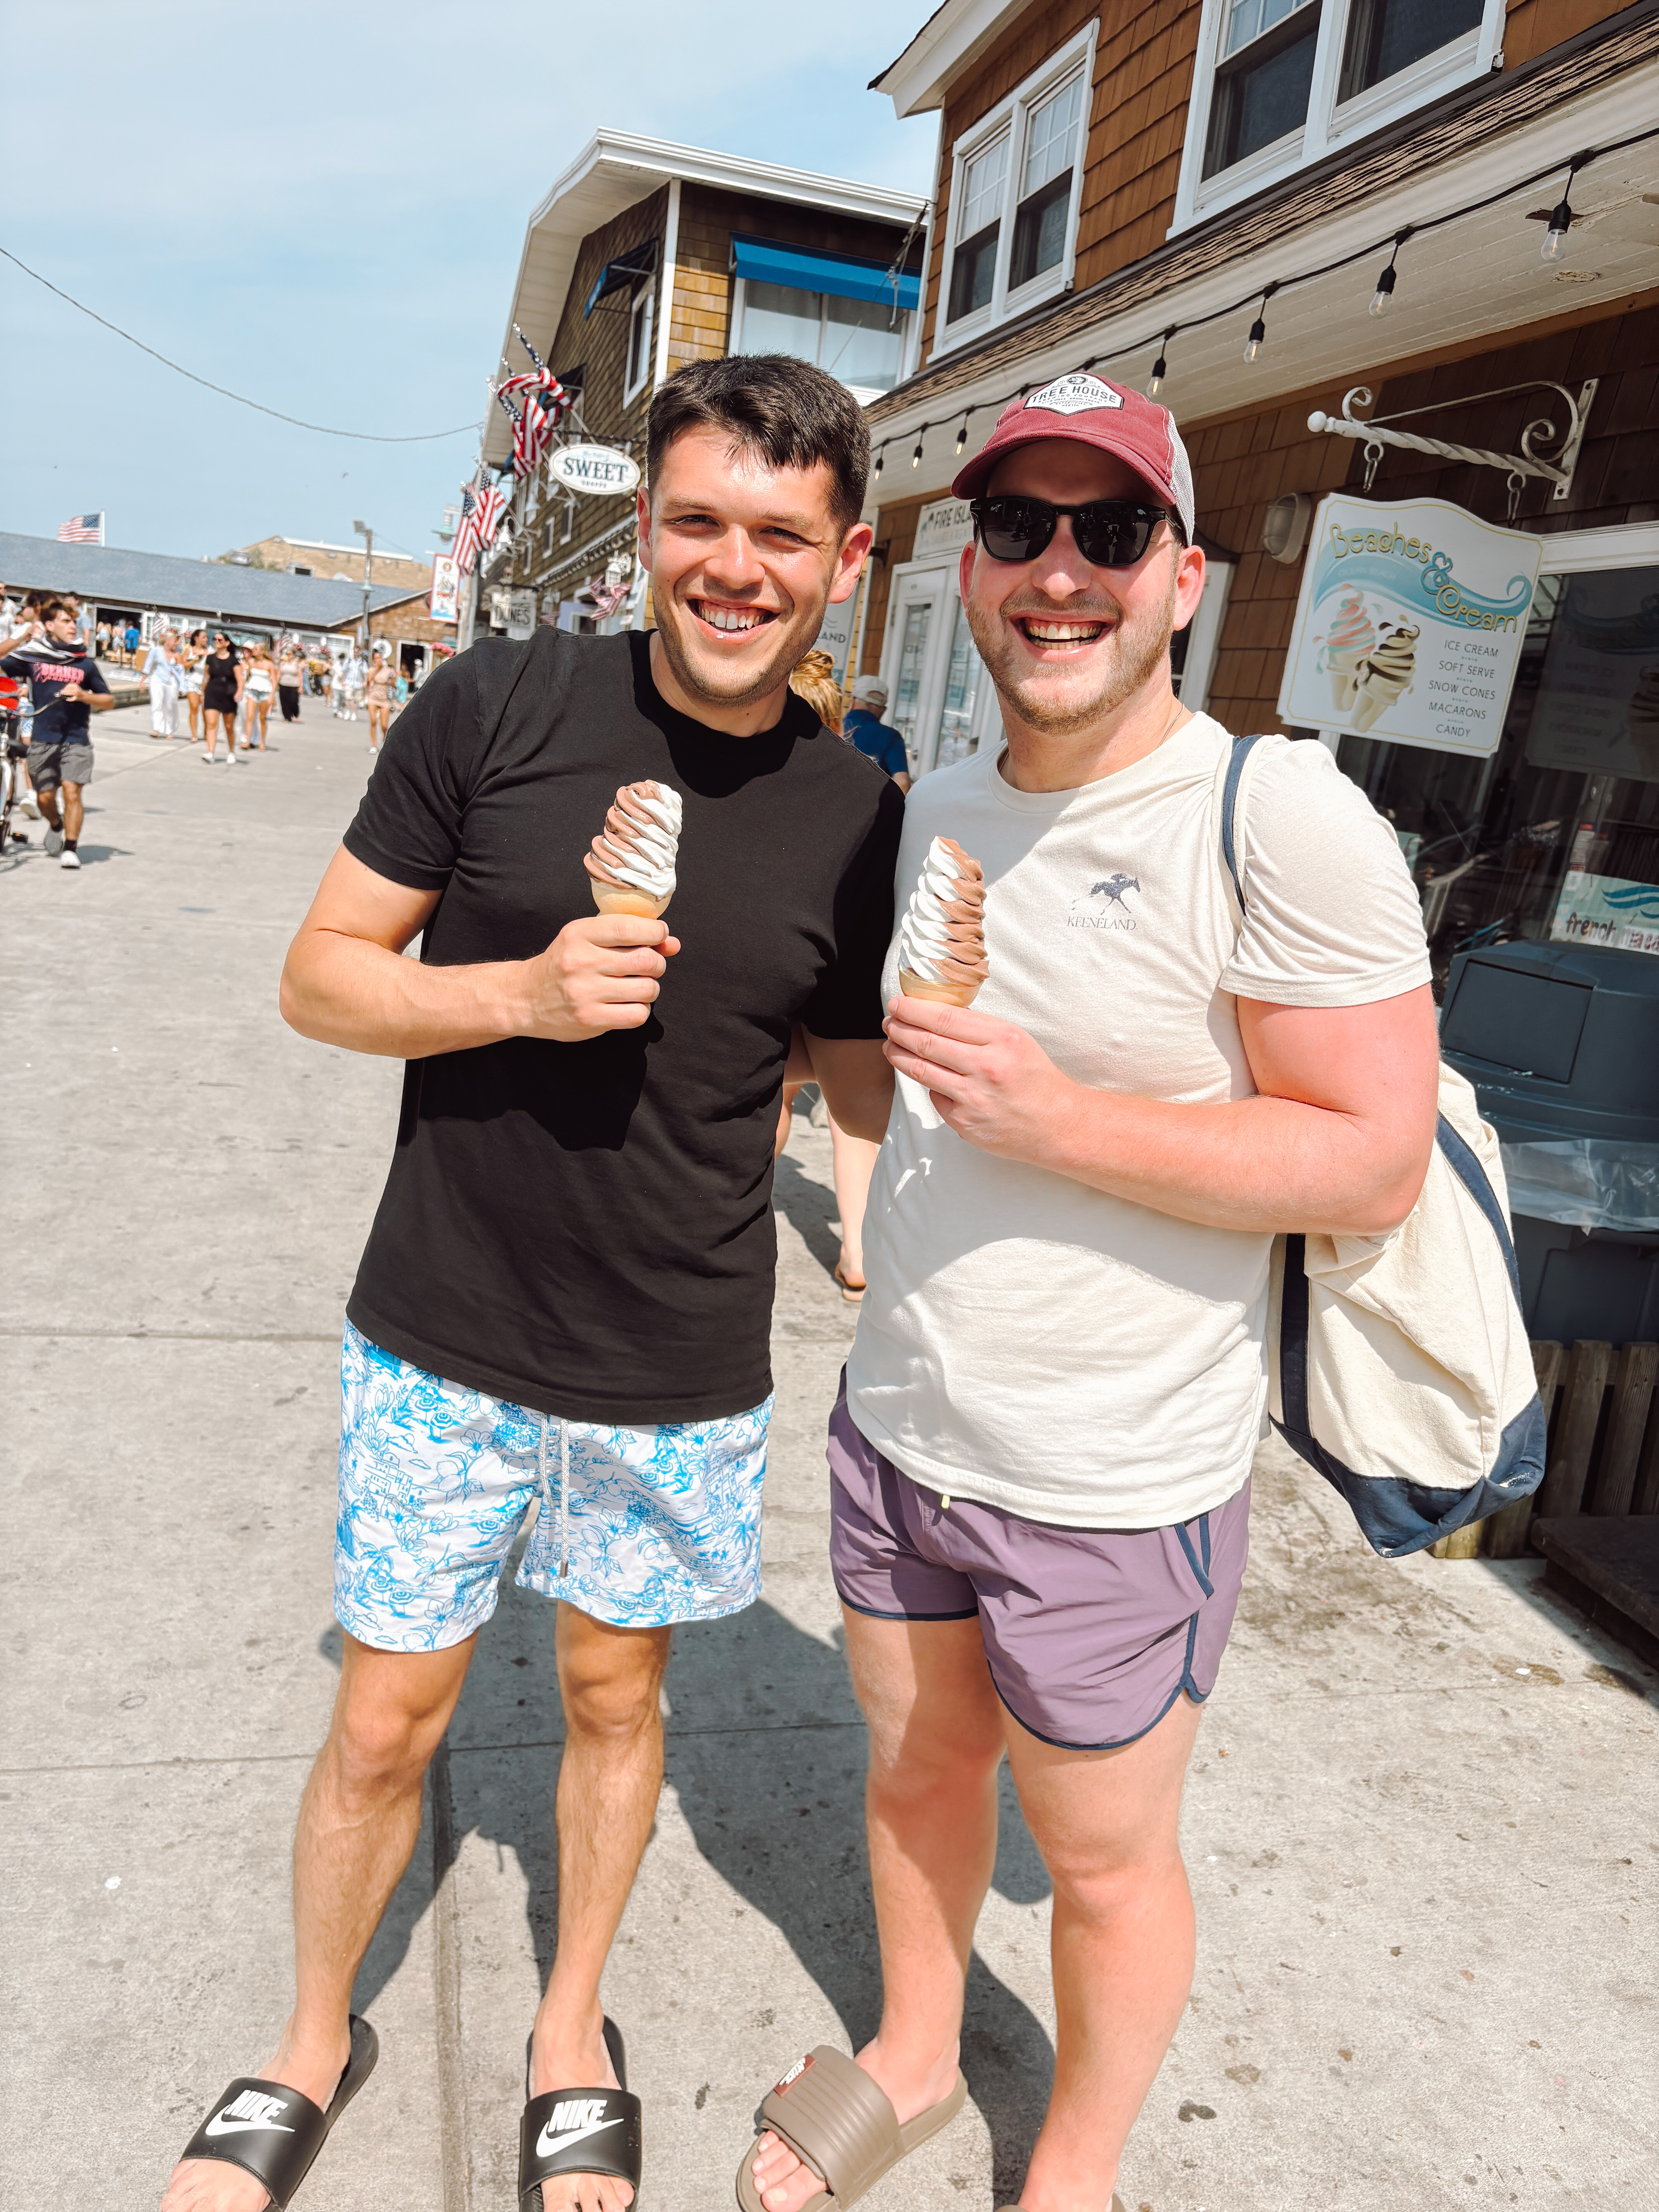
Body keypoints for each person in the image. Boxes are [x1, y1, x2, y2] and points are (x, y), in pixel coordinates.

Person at [161, 350, 902, 2212]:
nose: (736, 570)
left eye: (783, 538)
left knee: (611, 1704)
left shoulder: (851, 812)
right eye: (701, 523)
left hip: (675, 1351)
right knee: (388, 1717)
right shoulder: (498, 703)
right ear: (647, 527)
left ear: (849, 560)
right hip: (445, 1330)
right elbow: (321, 974)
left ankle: (571, 2028)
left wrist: (900, 1218)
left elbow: (855, 1064)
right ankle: (310, 2038)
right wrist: (518, 993)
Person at [742, 373, 1441, 2212]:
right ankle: (907, 2053)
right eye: (1022, 530)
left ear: (1184, 577)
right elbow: (893, 1086)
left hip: (1118, 1476)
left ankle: (1074, 2163)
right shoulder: (934, 802)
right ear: (968, 571)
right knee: (911, 1780)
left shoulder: (1274, 816)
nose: (1062, 572)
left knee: (1108, 1860)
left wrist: (1062, 1120)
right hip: (902, 1425)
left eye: (1110, 529)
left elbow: (1368, 1155)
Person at [783, 650, 886, 1302]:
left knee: (768, 1097)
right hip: (845, 968)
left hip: (775, 971)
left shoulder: (757, 783)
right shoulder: (862, 788)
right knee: (857, 1115)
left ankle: (725, 1218)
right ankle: (857, 1250)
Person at [2, 594, 117, 869]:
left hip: (76, 738)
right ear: (50, 625)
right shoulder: (33, 657)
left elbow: (109, 700)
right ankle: (56, 824)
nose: (73, 627)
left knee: (72, 791)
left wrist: (84, 695)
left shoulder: (84, 664)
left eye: (74, 622)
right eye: (66, 621)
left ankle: (71, 847)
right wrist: (21, 637)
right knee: (44, 798)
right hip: (43, 738)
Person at [843, 674, 912, 792]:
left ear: (853, 701)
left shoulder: (833, 727)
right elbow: (903, 783)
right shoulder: (891, 737)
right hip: (864, 807)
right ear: (883, 710)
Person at [200, 632, 243, 764]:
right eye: (215, 639)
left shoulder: (233, 660)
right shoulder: (211, 658)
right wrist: (202, 693)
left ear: (227, 643)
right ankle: (210, 753)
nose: (217, 641)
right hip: (212, 691)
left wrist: (240, 692)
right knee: (211, 724)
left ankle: (231, 752)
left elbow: (240, 679)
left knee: (229, 726)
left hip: (228, 693)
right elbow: (207, 676)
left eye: (220, 640)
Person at [142, 628, 184, 740]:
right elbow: (148, 665)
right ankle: (157, 729)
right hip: (157, 679)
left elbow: (181, 672)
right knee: (157, 703)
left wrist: (182, 687)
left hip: (172, 681)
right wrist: (143, 681)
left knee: (170, 706)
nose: (176, 644)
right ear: (167, 641)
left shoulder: (177, 655)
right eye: (174, 641)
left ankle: (169, 731)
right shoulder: (156, 650)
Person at [243, 641, 278, 750]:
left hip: (265, 692)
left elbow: (274, 680)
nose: (254, 651)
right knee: (250, 717)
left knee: (262, 718)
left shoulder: (269, 664)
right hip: (252, 691)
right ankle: (247, 741)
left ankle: (262, 742)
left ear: (262, 651)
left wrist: (272, 695)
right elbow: (247, 675)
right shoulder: (251, 662)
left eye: (256, 650)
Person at [363, 646, 394, 754]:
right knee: (373, 722)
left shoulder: (389, 671)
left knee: (384, 725)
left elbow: (394, 682)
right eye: (376, 659)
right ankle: (374, 745)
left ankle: (385, 741)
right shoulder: (372, 670)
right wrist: (377, 668)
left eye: (379, 658)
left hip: (384, 699)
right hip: (374, 697)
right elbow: (369, 680)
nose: (378, 660)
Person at [181, 629, 208, 741]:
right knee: (194, 708)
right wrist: (194, 661)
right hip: (192, 681)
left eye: (206, 637)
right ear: (196, 638)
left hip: (205, 683)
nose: (206, 640)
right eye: (203, 637)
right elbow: (183, 664)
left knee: (206, 710)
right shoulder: (189, 650)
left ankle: (207, 733)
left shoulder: (209, 652)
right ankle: (194, 735)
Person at [277, 640, 305, 723]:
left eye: (290, 654)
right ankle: (287, 717)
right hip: (283, 684)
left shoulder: (297, 664)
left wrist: (301, 687)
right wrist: (276, 684)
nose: (288, 656)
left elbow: (300, 676)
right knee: (284, 702)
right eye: (287, 654)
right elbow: (279, 674)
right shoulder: (283, 663)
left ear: (293, 655)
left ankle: (296, 715)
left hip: (294, 685)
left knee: (294, 701)